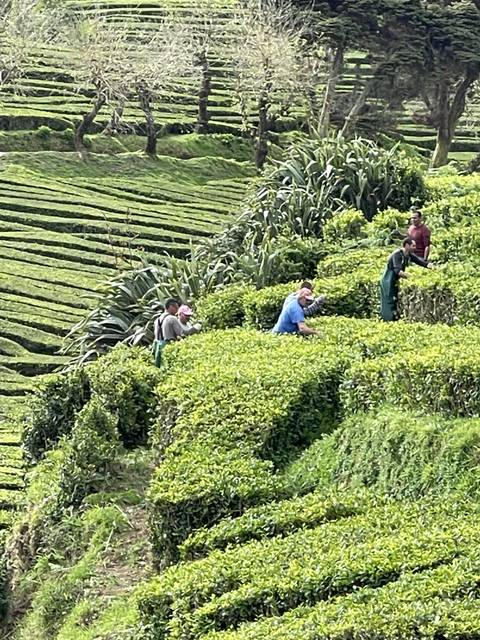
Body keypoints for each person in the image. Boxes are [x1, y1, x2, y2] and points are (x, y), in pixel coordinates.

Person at [380, 237, 433, 321]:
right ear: (407, 245)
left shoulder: (408, 255)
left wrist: (429, 265)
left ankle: (394, 319)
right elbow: (398, 271)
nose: (415, 248)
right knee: (389, 300)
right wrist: (413, 277)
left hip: (394, 280)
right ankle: (388, 319)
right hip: (388, 280)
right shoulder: (397, 254)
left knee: (395, 299)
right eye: (413, 246)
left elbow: (420, 262)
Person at [153, 298, 183, 366]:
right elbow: (181, 333)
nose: (177, 310)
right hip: (169, 346)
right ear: (171, 307)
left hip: (158, 347)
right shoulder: (172, 318)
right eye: (176, 307)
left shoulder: (157, 320)